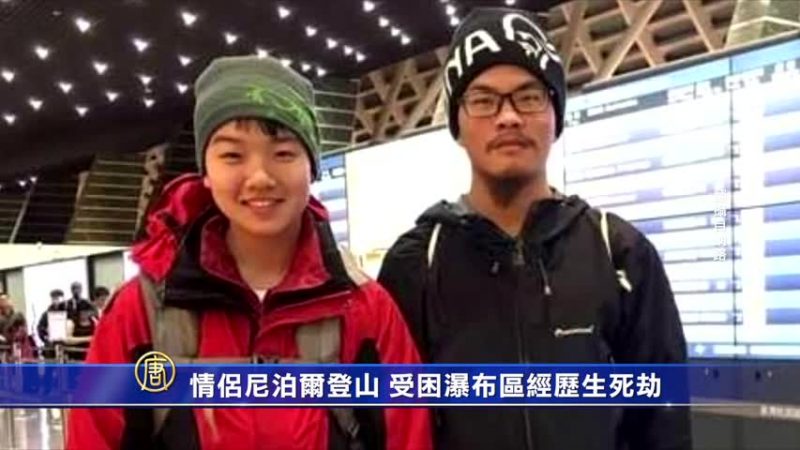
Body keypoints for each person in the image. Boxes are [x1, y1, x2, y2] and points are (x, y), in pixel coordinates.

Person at [67, 55, 430, 450]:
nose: (259, 177)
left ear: (312, 167)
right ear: (205, 171)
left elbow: (407, 438)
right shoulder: (142, 311)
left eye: (283, 153)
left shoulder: (364, 310)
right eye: (232, 156)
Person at [378, 7, 690, 450]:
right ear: (457, 123)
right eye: (483, 100)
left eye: (528, 97)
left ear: (555, 115)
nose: (508, 117)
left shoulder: (620, 253)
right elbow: (397, 421)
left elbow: (663, 423)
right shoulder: (416, 264)